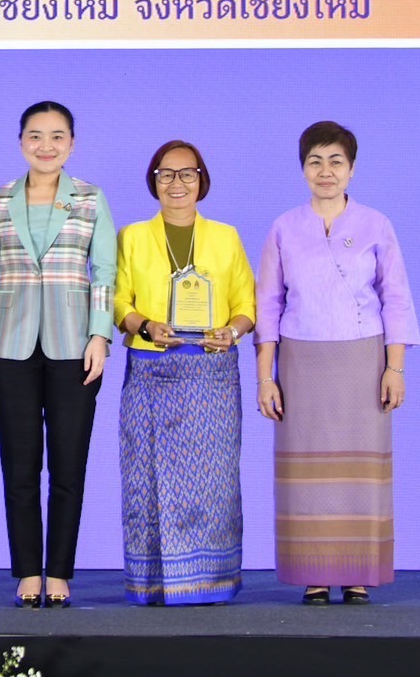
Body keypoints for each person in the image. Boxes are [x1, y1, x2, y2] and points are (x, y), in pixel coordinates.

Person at [256, 121, 419, 606]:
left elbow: (396, 298)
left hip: (362, 359)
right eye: (315, 162)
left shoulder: (376, 224)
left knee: (361, 472)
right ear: (302, 169)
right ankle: (314, 573)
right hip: (300, 361)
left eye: (336, 162)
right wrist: (266, 377)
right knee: (305, 471)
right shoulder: (284, 228)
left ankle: (357, 572)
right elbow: (268, 305)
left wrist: (394, 368)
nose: (325, 172)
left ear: (351, 169)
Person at [0, 102, 115, 608]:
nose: (45, 146)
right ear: (21, 142)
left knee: (69, 466)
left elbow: (104, 274)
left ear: (71, 143)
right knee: (20, 465)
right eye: (35, 135)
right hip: (8, 345)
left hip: (75, 346)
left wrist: (99, 336)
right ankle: (29, 572)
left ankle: (60, 574)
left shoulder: (90, 198)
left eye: (56, 136)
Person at [115, 140, 256, 606]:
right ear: (153, 180)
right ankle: (153, 583)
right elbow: (118, 300)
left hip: (211, 374)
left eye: (187, 173)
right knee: (146, 480)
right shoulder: (132, 237)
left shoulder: (227, 237)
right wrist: (144, 325)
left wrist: (232, 332)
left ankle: (211, 581)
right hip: (151, 372)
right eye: (166, 174)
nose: (177, 183)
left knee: (214, 483)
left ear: (202, 180)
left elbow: (246, 303)